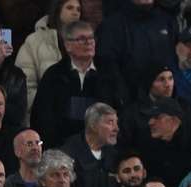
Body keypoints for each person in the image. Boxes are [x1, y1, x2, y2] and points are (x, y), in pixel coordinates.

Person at [31, 20, 127, 148]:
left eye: (91, 38)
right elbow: (43, 118)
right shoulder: (54, 75)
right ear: (67, 45)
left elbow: (122, 108)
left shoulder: (109, 71)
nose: (89, 43)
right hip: (63, 148)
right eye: (82, 39)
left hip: (104, 147)